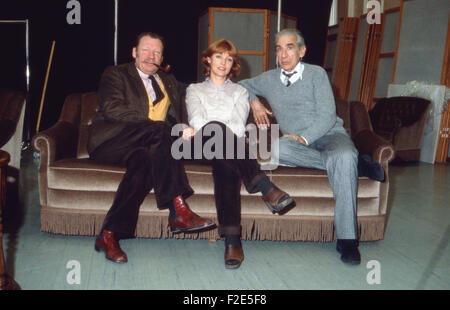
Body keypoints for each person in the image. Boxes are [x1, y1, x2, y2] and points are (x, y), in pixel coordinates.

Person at [239, 28, 385, 265]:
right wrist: (253, 101)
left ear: (302, 51)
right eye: (279, 48)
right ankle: (356, 165)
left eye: (290, 47)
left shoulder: (317, 74)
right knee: (277, 149)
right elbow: (239, 85)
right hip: (296, 146)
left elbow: (328, 116)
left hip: (330, 135)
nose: (283, 54)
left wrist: (304, 138)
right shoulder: (269, 78)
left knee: (343, 154)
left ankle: (348, 240)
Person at [87, 32, 216, 263]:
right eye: (146, 50)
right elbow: (112, 108)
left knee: (145, 164)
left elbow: (203, 89)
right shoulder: (116, 74)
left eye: (157, 52)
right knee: (161, 131)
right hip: (112, 141)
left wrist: (250, 95)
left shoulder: (168, 81)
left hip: (148, 145)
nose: (151, 56)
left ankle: (108, 234)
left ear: (162, 57)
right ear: (134, 52)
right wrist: (160, 127)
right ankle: (178, 209)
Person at [182, 39, 295, 269]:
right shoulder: (194, 89)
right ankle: (265, 187)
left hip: (228, 147)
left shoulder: (240, 91)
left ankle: (232, 240)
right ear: (208, 59)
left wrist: (219, 128)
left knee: (226, 162)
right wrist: (215, 127)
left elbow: (236, 125)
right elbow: (197, 120)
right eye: (218, 56)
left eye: (229, 58)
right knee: (217, 130)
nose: (223, 62)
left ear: (233, 64)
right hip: (198, 145)